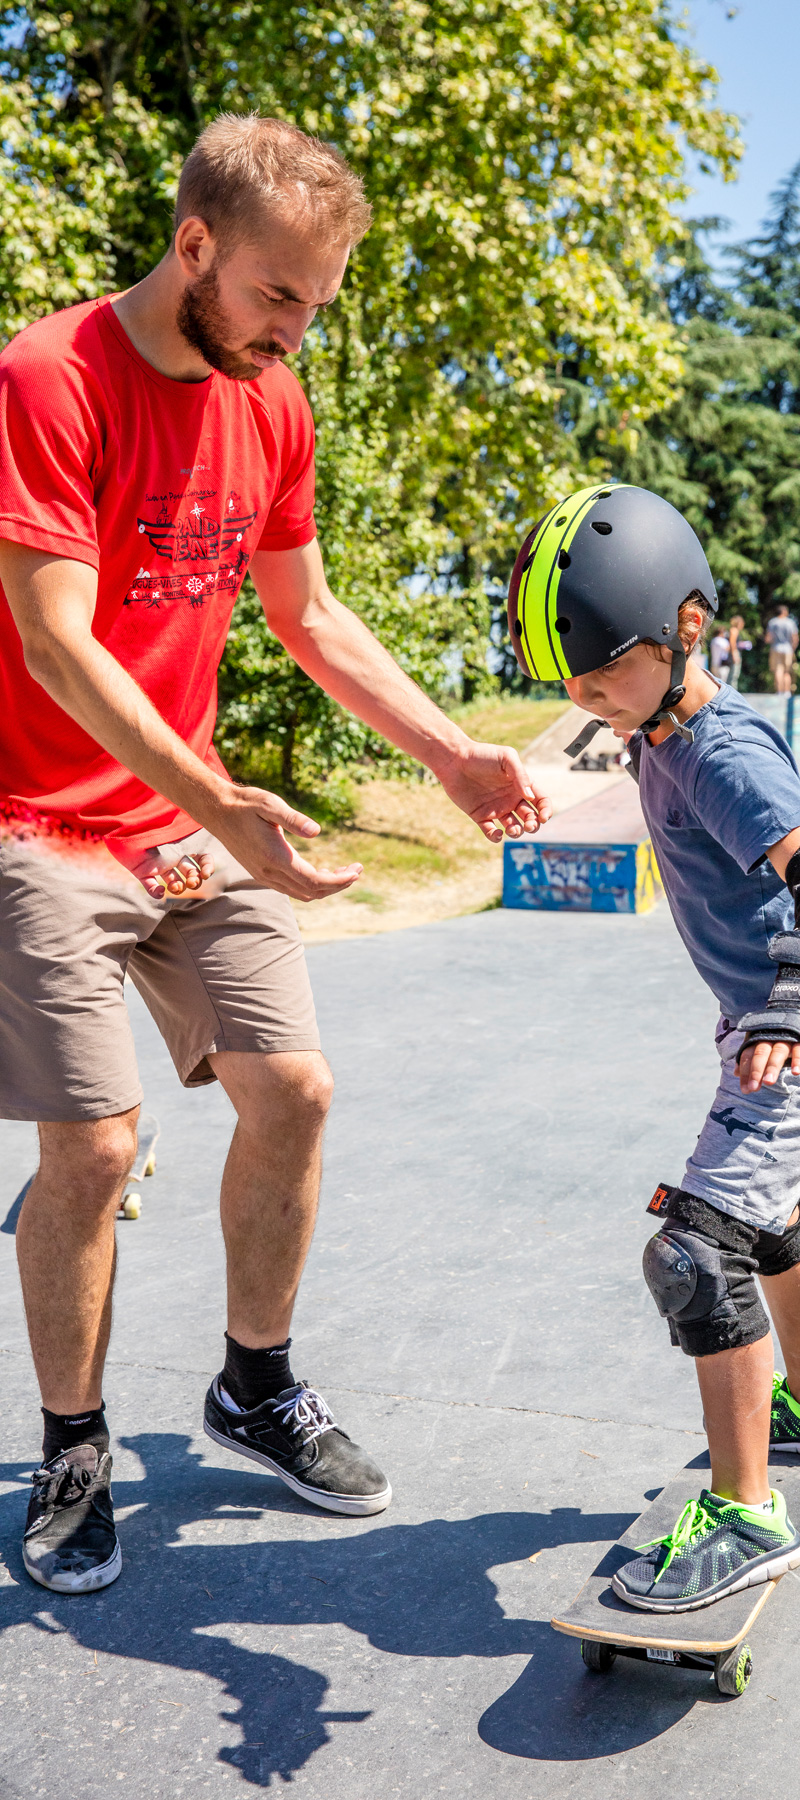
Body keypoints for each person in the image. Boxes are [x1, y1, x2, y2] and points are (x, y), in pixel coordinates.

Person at [0, 115, 551, 1596]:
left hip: (177, 820)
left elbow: (308, 618)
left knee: (294, 1090)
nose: (296, 327)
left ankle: (253, 1384)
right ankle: (71, 1445)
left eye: (319, 301)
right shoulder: (48, 379)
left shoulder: (271, 403)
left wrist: (451, 752)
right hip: (33, 819)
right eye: (276, 295)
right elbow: (57, 645)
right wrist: (228, 801)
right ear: (194, 248)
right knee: (97, 1146)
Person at [507, 483, 800, 1612]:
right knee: (766, 1215)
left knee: (696, 1251)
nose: (587, 699)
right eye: (569, 684)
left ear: (686, 628)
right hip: (783, 1026)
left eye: (602, 672)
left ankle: (745, 1512)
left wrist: (796, 995)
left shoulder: (721, 751)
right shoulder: (655, 723)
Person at [765, 605, 799, 694]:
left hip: (775, 648)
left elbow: (768, 638)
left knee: (778, 670)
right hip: (788, 649)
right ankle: (787, 691)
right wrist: (793, 649)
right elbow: (795, 638)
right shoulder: (790, 622)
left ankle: (779, 691)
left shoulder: (772, 622)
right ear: (784, 612)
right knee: (787, 671)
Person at [727, 614, 746, 690]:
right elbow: (732, 643)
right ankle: (733, 691)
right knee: (734, 674)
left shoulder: (733, 630)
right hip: (734, 653)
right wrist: (735, 655)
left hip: (734, 653)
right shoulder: (734, 630)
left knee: (733, 674)